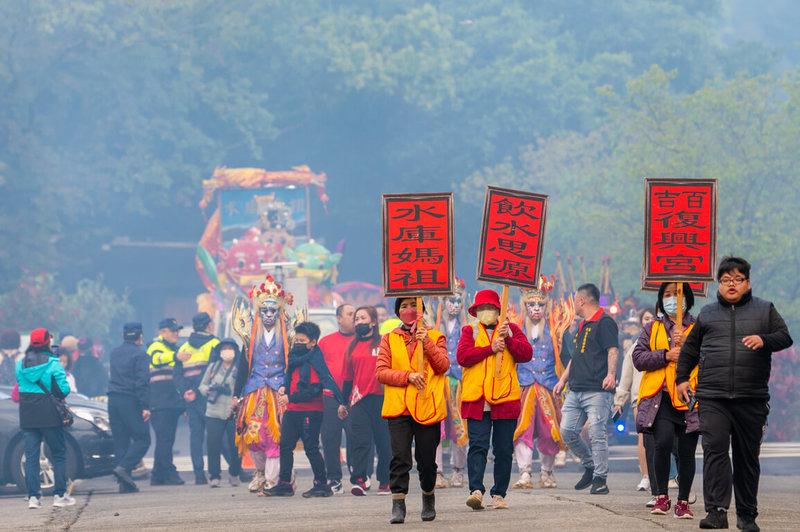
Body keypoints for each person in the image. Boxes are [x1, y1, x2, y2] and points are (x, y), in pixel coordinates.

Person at [677, 257, 793, 531]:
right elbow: (690, 351)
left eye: (737, 279)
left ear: (747, 283)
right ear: (719, 283)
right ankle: (716, 511)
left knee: (746, 457)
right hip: (712, 397)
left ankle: (746, 514)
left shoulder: (765, 310)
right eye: (726, 280)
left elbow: (785, 337)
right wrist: (682, 379)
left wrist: (764, 339)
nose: (731, 284)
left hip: (751, 397)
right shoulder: (706, 314)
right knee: (714, 451)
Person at [457, 289, 533, 511]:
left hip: (504, 398)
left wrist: (508, 338)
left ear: (499, 310)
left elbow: (526, 354)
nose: (486, 312)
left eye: (490, 308)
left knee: (502, 450)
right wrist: (489, 349)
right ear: (476, 312)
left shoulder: (512, 330)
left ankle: (499, 493)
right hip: (477, 398)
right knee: (478, 446)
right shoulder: (469, 331)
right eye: (482, 308)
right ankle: (476, 491)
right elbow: (463, 357)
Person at [376, 297, 449, 523]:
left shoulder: (436, 336)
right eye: (404, 306)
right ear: (398, 312)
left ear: (422, 311)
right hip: (399, 408)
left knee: (427, 461)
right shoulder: (388, 339)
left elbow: (443, 366)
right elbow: (381, 372)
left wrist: (426, 342)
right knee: (400, 457)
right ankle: (398, 503)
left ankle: (428, 497)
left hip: (427, 405)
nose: (409, 310)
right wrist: (407, 376)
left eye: (414, 306)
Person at [633, 283, 699, 519]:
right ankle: (661, 496)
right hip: (660, 398)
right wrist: (666, 355)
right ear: (661, 300)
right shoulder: (652, 328)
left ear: (687, 299)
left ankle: (683, 502)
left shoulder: (699, 327)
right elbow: (638, 358)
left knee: (686, 451)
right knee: (661, 444)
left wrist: (690, 347)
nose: (673, 299)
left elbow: (711, 356)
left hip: (690, 399)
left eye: (677, 294)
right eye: (668, 295)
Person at [262, 321, 348, 497]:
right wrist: (284, 387)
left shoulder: (314, 361)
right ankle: (285, 483)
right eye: (297, 339)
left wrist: (290, 397)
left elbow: (315, 390)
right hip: (292, 410)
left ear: (313, 342)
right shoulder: (293, 357)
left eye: (303, 340)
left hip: (311, 411)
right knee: (285, 446)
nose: (298, 343)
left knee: (311, 448)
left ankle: (321, 484)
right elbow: (288, 378)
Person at [554, 283, 618, 495]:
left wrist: (611, 374)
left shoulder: (605, 321)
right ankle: (590, 465)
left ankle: (601, 479)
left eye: (574, 300)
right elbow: (575, 358)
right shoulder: (582, 325)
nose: (573, 305)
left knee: (596, 433)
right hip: (575, 389)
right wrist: (563, 379)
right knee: (567, 431)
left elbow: (613, 350)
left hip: (597, 390)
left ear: (582, 300)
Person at [232, 276, 291, 493]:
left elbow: (290, 366)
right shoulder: (250, 338)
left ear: (278, 312)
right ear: (258, 312)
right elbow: (242, 368)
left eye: (272, 311)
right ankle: (260, 472)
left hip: (277, 392)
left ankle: (273, 479)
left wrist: (290, 389)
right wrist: (235, 395)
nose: (268, 315)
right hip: (254, 392)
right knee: (253, 436)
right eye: (264, 311)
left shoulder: (287, 337)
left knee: (274, 437)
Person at [512, 277, 564, 490]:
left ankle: (546, 471)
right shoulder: (515, 328)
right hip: (523, 386)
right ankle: (524, 472)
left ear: (546, 306)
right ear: (524, 305)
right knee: (522, 429)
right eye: (531, 304)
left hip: (548, 386)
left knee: (549, 430)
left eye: (540, 304)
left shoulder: (555, 330)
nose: (536, 308)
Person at [15, 328, 75, 509]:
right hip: (49, 414)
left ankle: (33, 498)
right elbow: (64, 390)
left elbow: (19, 386)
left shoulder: (20, 364)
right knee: (58, 454)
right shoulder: (54, 363)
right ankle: (60, 495)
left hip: (28, 414)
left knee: (31, 457)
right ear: (47, 342)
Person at [343, 306, 392, 496]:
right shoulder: (352, 346)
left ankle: (386, 481)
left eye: (362, 318)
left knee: (384, 443)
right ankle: (360, 480)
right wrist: (343, 402)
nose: (358, 322)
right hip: (359, 400)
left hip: (383, 398)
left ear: (373, 322)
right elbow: (348, 377)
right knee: (360, 441)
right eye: (356, 319)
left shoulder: (384, 343)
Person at [432, 279, 469, 489]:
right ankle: (437, 471)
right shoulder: (434, 323)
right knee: (436, 428)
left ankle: (457, 470)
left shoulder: (468, 327)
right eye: (450, 301)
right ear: (443, 301)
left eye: (457, 301)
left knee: (460, 428)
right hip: (439, 381)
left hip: (460, 382)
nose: (454, 305)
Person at [614, 308, 655, 493]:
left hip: (663, 395)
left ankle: (669, 476)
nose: (650, 321)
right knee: (643, 438)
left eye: (653, 317)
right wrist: (619, 401)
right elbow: (626, 376)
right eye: (646, 318)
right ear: (640, 321)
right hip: (640, 397)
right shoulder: (635, 346)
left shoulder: (667, 343)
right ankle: (646, 476)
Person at [107, 322, 152, 493]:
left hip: (113, 400)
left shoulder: (114, 353)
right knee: (143, 439)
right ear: (140, 336)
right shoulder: (140, 355)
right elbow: (142, 382)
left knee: (121, 442)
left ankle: (124, 484)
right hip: (130, 400)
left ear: (123, 336)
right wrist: (145, 405)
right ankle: (124, 468)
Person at [176, 312, 220, 484]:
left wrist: (185, 392)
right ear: (209, 325)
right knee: (216, 434)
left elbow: (177, 374)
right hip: (208, 396)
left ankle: (199, 475)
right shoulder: (215, 344)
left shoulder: (183, 348)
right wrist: (195, 390)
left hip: (191, 399)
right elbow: (210, 370)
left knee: (196, 436)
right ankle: (226, 470)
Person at [317, 303, 355, 494]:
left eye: (356, 314)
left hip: (355, 398)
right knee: (330, 440)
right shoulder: (325, 342)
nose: (354, 317)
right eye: (349, 314)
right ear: (338, 318)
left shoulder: (363, 341)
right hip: (330, 397)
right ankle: (334, 478)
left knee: (356, 438)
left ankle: (358, 477)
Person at [198, 337, 242, 488]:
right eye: (224, 349)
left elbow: (245, 388)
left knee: (235, 445)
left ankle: (235, 473)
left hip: (233, 413)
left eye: (230, 348)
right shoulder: (213, 367)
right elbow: (202, 386)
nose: (227, 351)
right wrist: (208, 390)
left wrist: (239, 400)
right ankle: (214, 476)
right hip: (214, 412)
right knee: (213, 445)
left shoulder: (240, 368)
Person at [147, 318, 186, 486]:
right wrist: (176, 356)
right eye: (172, 330)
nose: (176, 333)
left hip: (171, 402)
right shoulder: (156, 346)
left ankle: (157, 475)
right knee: (164, 439)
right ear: (161, 332)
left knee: (166, 439)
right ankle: (170, 472)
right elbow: (157, 359)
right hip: (159, 402)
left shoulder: (174, 348)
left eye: (177, 330)